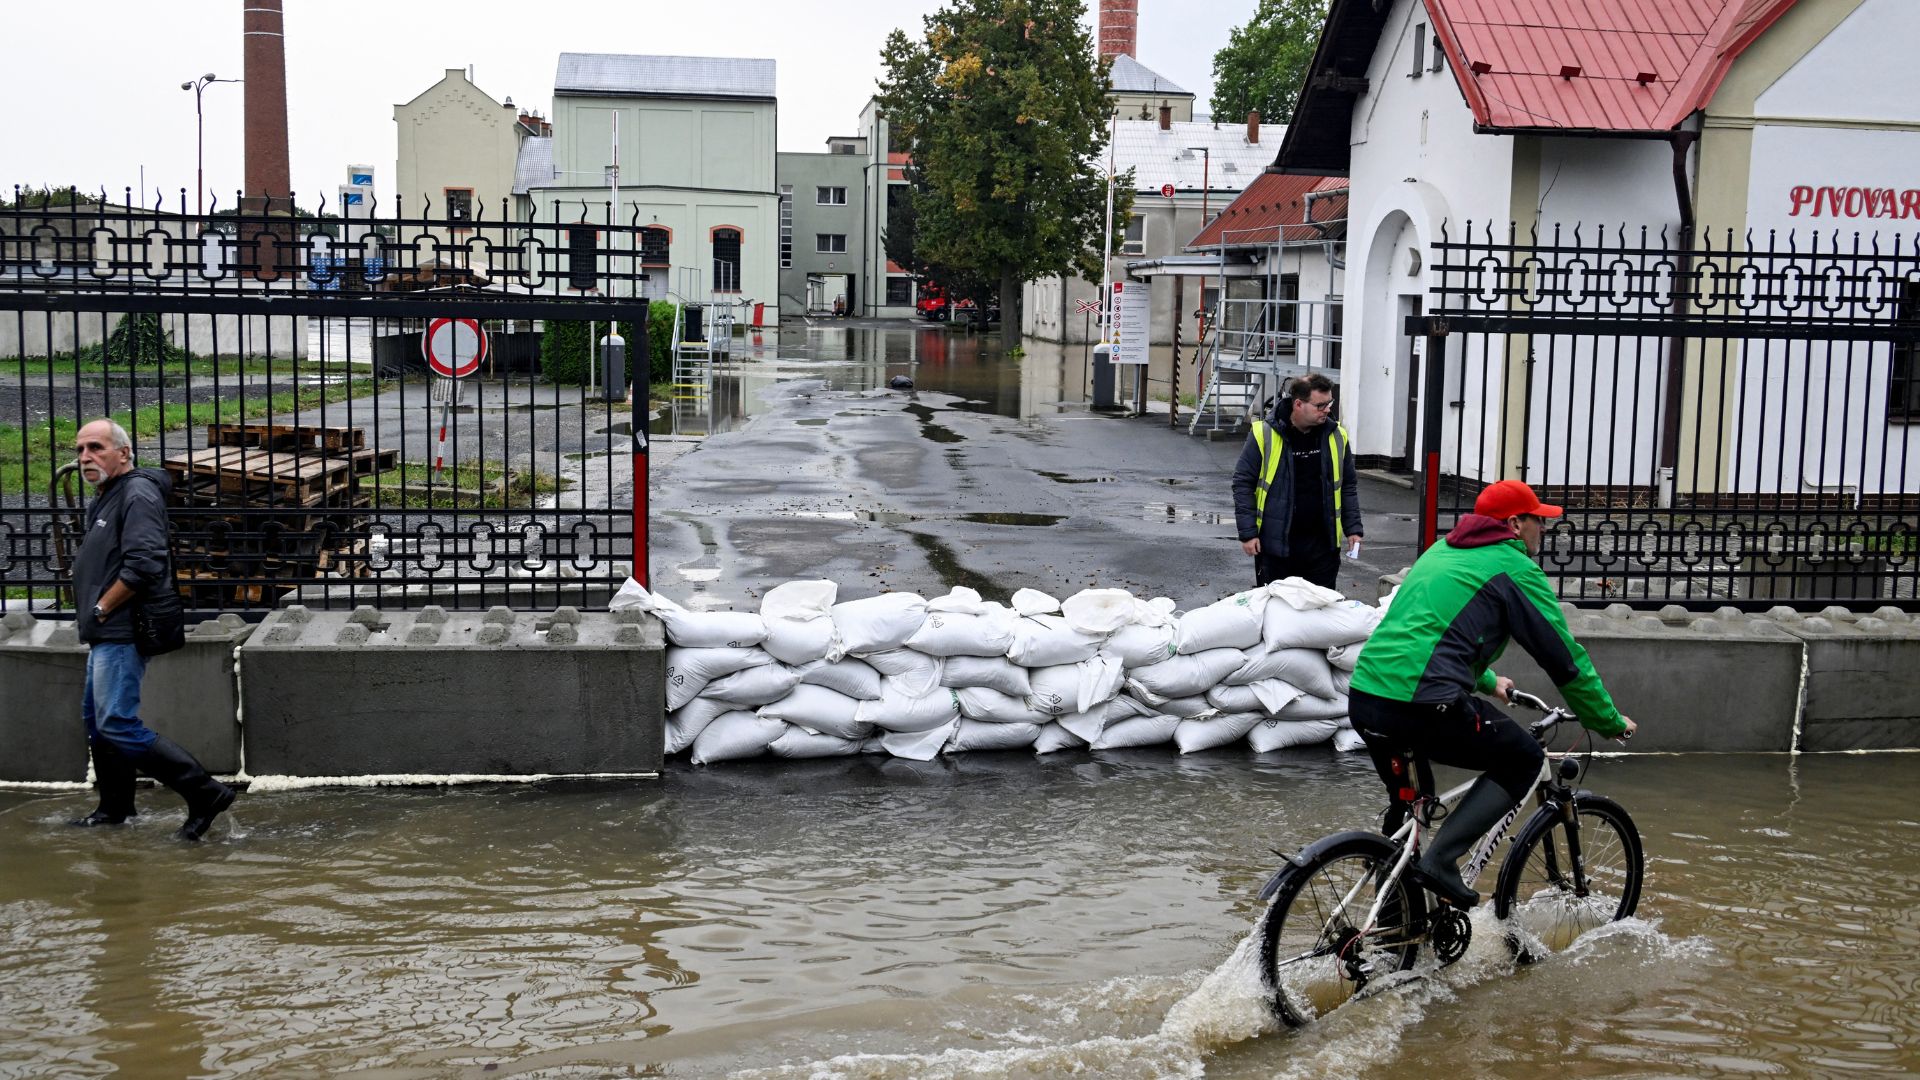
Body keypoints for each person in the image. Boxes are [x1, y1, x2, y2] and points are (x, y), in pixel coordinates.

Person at [1348, 479, 1636, 907]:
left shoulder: (1442, 551)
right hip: (1424, 703)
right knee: (1523, 758)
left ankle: (1396, 925)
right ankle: (1442, 862)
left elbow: (1432, 632)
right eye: (1540, 521)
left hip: (1367, 695)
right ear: (1516, 525)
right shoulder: (1514, 568)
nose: (1544, 529)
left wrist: (1487, 681)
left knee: (1412, 809)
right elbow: (1563, 660)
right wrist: (1605, 719)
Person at [67, 418, 236, 841]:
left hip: (120, 629)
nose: (86, 457)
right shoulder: (109, 493)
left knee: (116, 722)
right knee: (97, 721)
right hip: (105, 629)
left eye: (96, 448)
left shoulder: (137, 493)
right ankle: (115, 809)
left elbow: (145, 563)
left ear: (123, 453)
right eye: (80, 450)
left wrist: (103, 607)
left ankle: (204, 792)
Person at [1230, 373, 1362, 589]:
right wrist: (1248, 533)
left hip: (1323, 547)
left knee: (1320, 610)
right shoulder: (1263, 433)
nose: (1327, 410)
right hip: (1277, 547)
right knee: (1278, 612)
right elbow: (1243, 483)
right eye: (1320, 405)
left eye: (1329, 403)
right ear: (1298, 404)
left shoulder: (1337, 435)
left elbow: (1347, 486)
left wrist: (1354, 528)